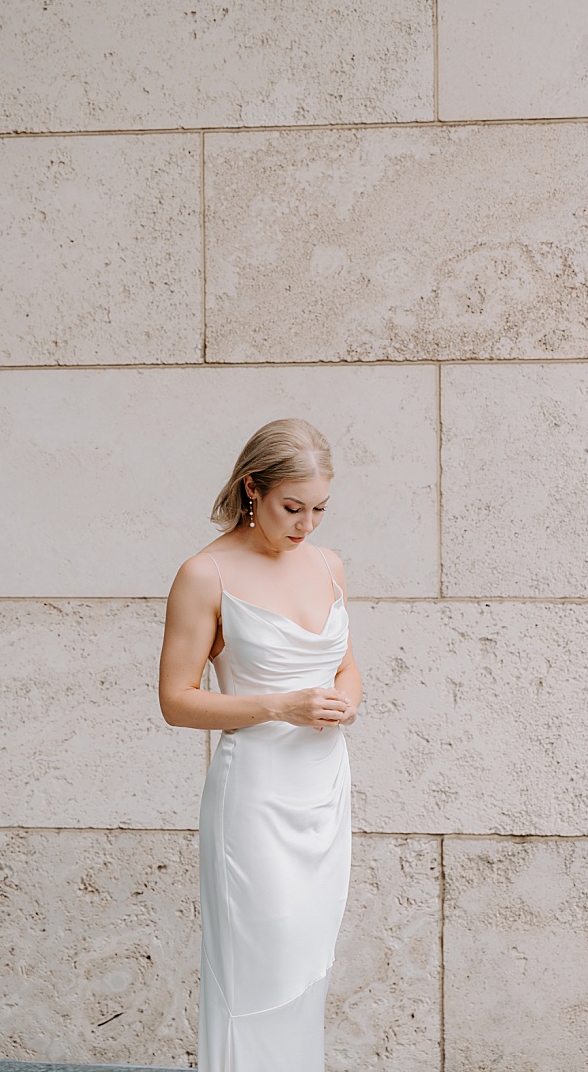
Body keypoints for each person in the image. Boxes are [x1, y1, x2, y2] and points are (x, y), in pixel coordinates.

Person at [158, 419, 363, 1071]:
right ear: (253, 487)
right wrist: (282, 704)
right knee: (257, 974)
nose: (307, 524)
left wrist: (346, 698)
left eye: (320, 509)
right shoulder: (205, 573)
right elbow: (175, 698)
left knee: (306, 969)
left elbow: (345, 664)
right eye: (292, 507)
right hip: (255, 800)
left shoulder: (328, 565)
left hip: (324, 793)